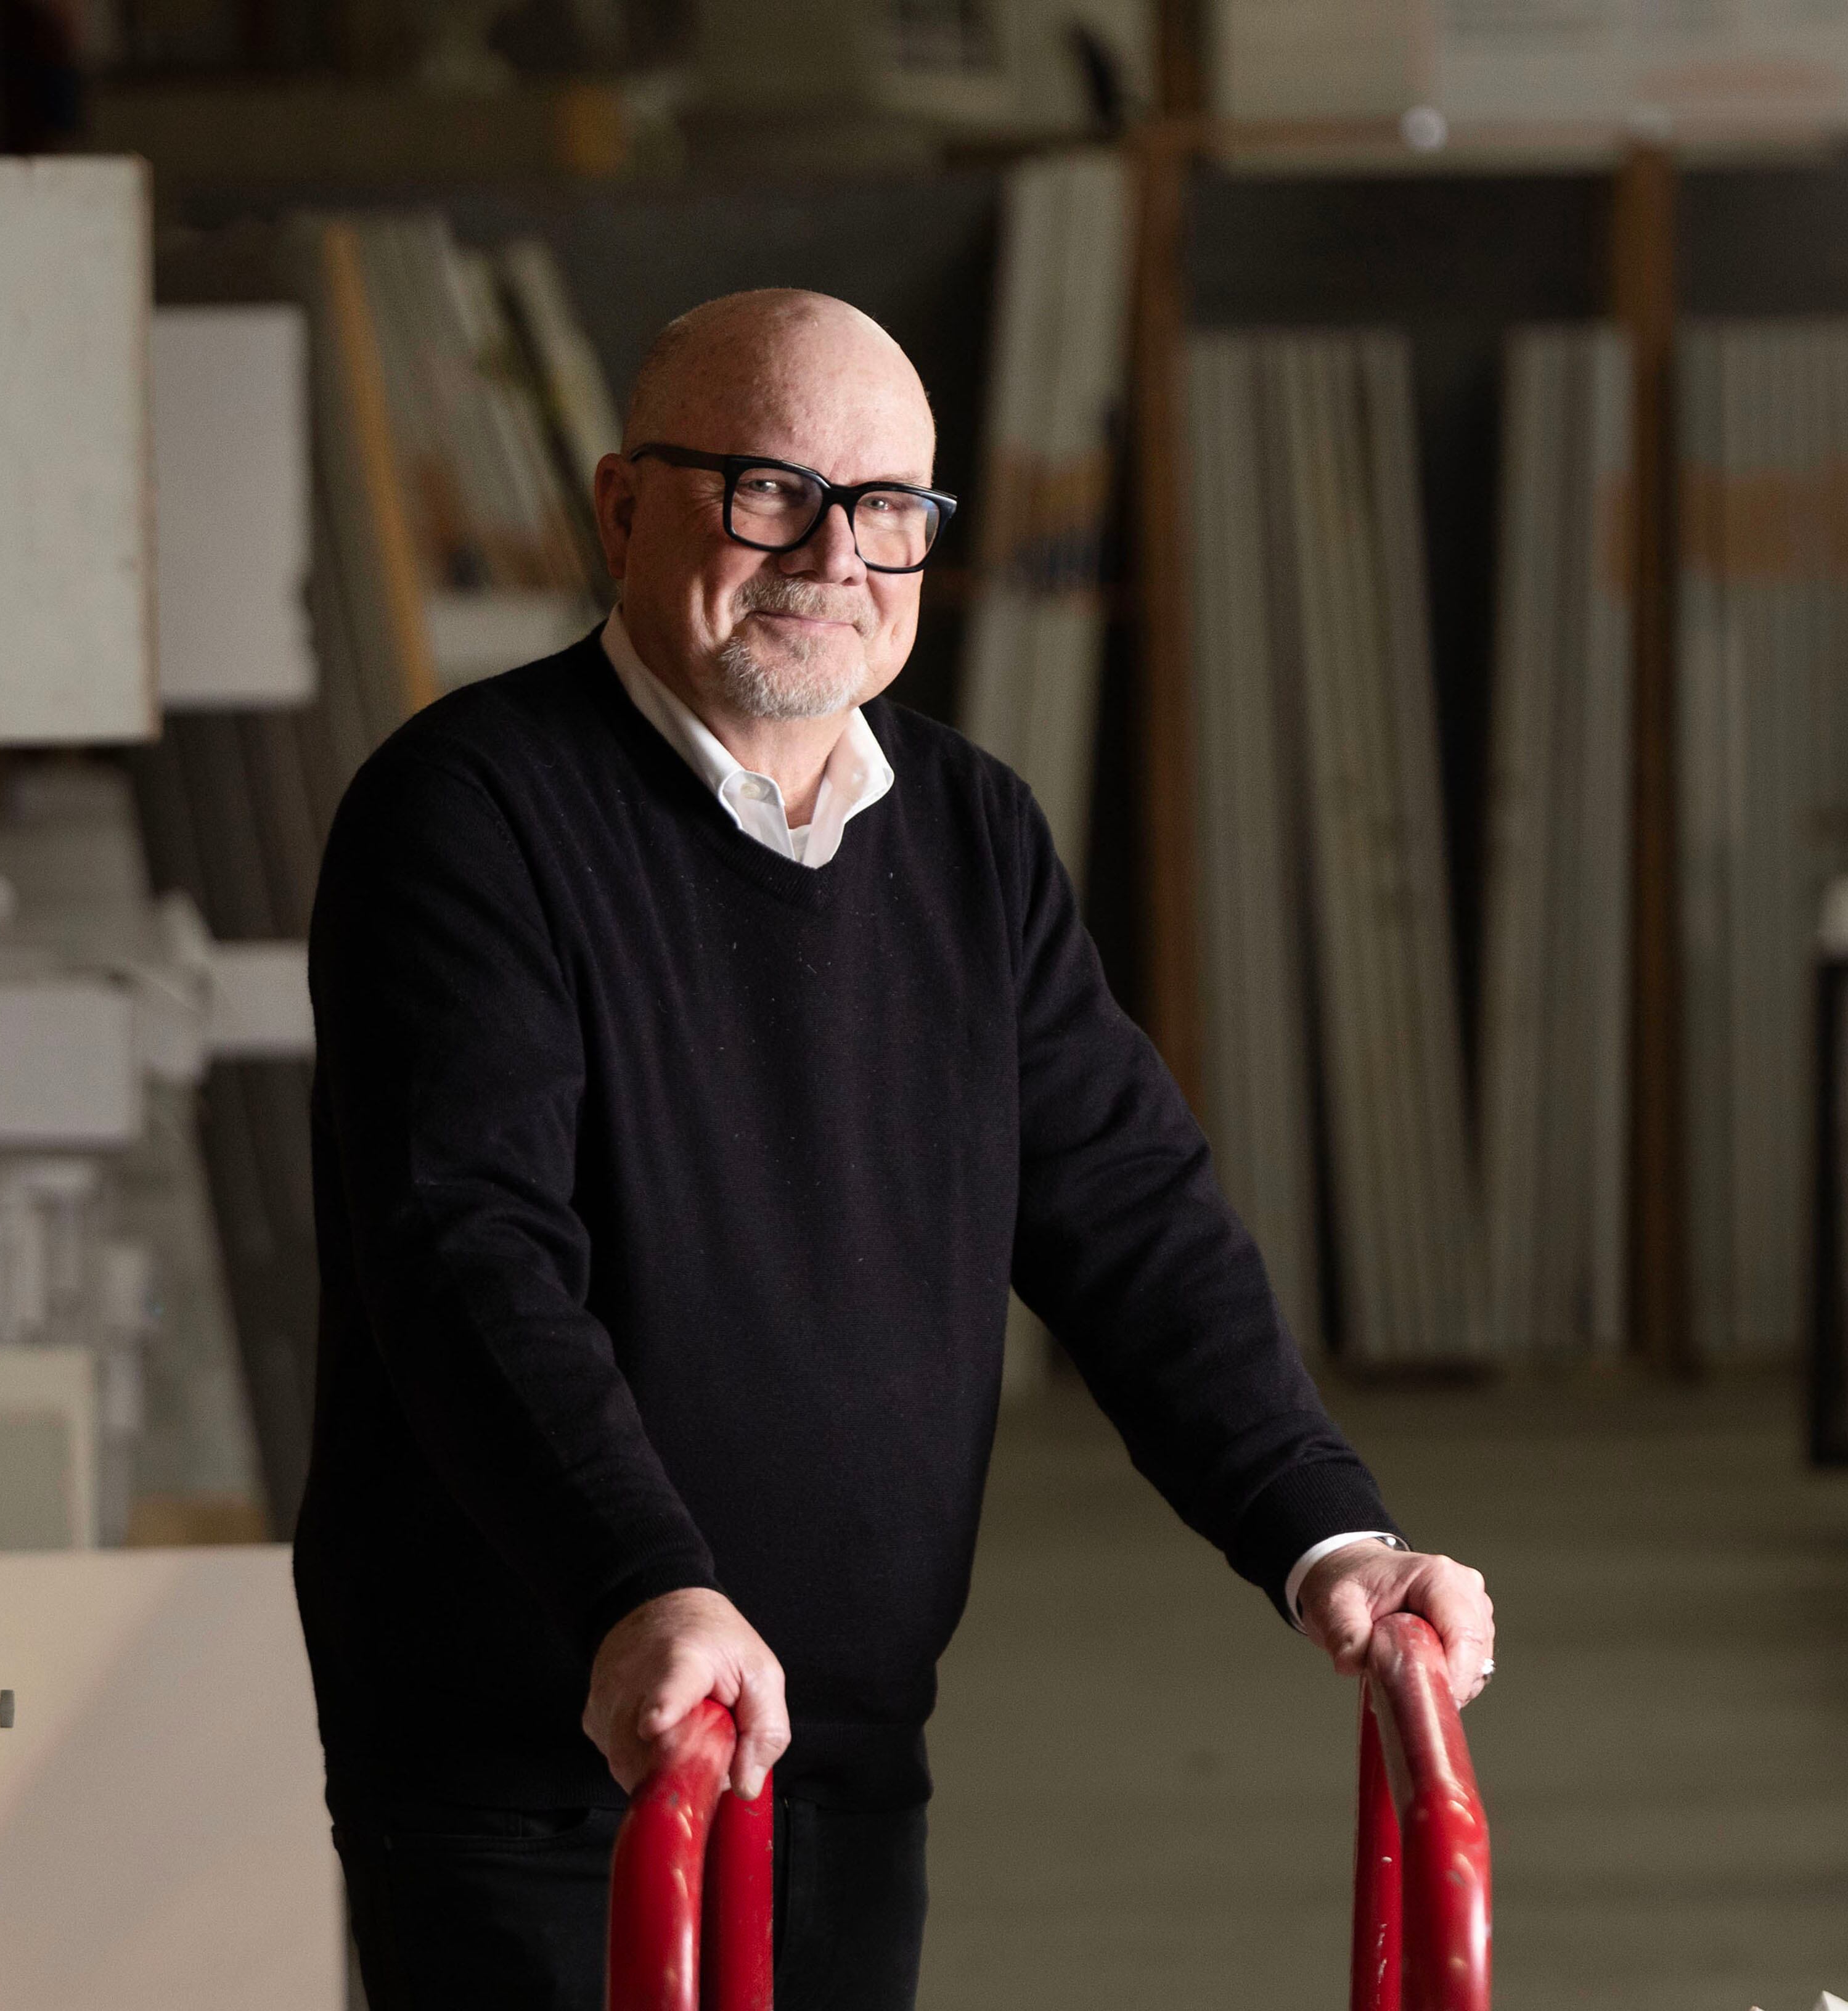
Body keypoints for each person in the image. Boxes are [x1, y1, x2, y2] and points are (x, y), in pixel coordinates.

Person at [298, 288, 1494, 2011]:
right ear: (621, 506)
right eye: (765, 489)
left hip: (842, 1734)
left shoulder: (968, 834)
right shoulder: (468, 812)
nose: (831, 556)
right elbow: (467, 1248)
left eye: (887, 512)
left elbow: (1125, 1215)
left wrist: (1324, 1533)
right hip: (543, 1729)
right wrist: (641, 1582)